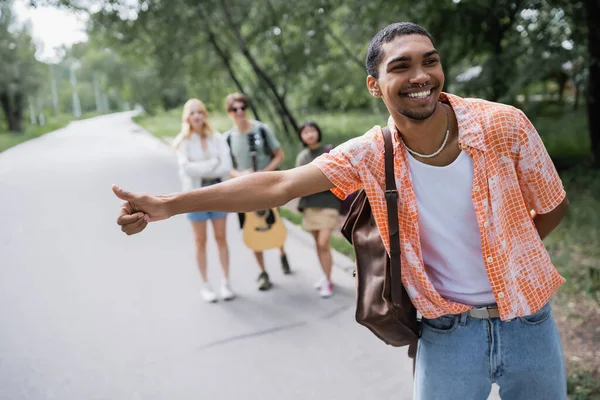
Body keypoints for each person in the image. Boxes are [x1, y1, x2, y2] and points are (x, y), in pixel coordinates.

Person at [114, 22, 570, 399]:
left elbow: (552, 206)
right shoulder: (371, 154)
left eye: (430, 60)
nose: (421, 75)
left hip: (529, 322)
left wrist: (508, 255)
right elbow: (279, 184)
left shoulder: (503, 125)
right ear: (375, 85)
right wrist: (170, 205)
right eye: (402, 66)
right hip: (446, 334)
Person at [222, 92, 291, 291]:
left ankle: (281, 252)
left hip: (267, 186)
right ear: (229, 112)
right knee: (252, 227)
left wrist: (264, 174)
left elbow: (279, 155)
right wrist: (241, 175)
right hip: (243, 190)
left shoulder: (261, 129)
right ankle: (263, 272)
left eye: (242, 107)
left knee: (272, 221)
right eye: (235, 109)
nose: (239, 112)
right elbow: (227, 168)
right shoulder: (227, 138)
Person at [173, 98, 235, 303]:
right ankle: (206, 285)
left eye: (200, 112)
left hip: (218, 191)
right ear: (187, 118)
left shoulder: (217, 138)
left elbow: (226, 167)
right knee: (200, 241)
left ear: (205, 115)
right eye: (192, 113)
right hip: (194, 195)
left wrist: (203, 166)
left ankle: (226, 282)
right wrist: (211, 164)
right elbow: (186, 169)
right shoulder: (183, 142)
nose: (197, 116)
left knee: (221, 238)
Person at [295, 122, 342, 298]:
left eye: (312, 130)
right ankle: (325, 277)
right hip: (310, 205)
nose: (309, 134)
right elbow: (299, 181)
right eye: (305, 132)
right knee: (318, 245)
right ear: (301, 136)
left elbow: (336, 177)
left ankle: (328, 281)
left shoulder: (330, 152)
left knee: (323, 243)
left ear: (318, 132)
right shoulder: (302, 157)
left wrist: (314, 182)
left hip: (329, 204)